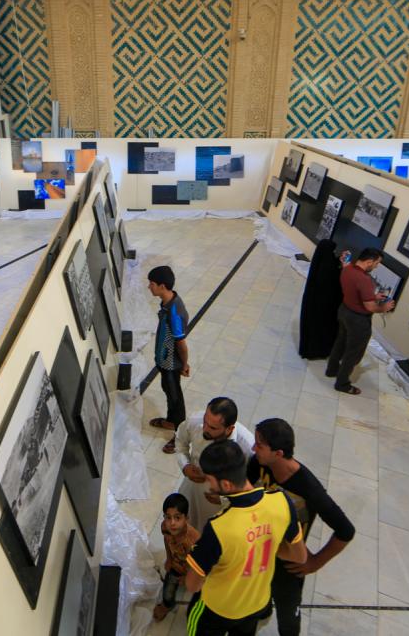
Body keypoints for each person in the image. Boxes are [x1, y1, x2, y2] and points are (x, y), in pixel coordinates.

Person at [184, 441, 307, 635]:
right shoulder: (281, 502)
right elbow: (300, 556)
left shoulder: (218, 528)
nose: (208, 483)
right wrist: (261, 543)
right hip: (255, 605)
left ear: (225, 484)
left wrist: (196, 550)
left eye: (209, 479)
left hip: (217, 609)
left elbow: (192, 585)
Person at [249, 419, 355, 636]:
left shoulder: (309, 489)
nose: (253, 448)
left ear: (278, 453)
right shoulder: (257, 463)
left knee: (288, 617)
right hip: (261, 550)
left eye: (259, 444)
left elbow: (345, 530)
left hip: (288, 564)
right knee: (258, 594)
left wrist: (315, 562)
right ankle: (263, 611)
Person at [174, 398, 256, 531]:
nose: (205, 429)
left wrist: (224, 499)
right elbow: (180, 442)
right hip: (192, 490)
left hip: (222, 506)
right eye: (205, 421)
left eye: (212, 428)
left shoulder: (247, 446)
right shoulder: (195, 421)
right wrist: (185, 466)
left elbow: (250, 486)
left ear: (230, 428)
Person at [325, 247, 395, 395]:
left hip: (344, 311)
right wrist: (385, 307)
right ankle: (342, 383)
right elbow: (370, 307)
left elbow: (356, 292)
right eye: (376, 263)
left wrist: (373, 296)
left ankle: (331, 370)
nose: (376, 267)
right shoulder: (365, 280)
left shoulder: (347, 268)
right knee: (353, 353)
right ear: (369, 262)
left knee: (340, 342)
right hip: (358, 320)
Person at [147, 265, 190, 450]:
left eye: (152, 284)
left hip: (172, 363)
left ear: (162, 286)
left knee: (175, 397)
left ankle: (180, 436)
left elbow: (181, 343)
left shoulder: (174, 312)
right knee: (167, 389)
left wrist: (185, 364)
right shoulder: (167, 302)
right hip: (164, 360)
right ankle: (171, 421)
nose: (149, 287)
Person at [298, 241, 350, 359]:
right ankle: (320, 350)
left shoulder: (321, 263)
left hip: (315, 303)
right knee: (322, 329)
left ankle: (310, 349)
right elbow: (333, 280)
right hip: (325, 306)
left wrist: (339, 261)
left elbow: (331, 269)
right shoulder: (328, 267)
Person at [154, 493, 200, 623]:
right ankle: (167, 605)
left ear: (187, 518)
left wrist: (188, 578)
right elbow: (167, 541)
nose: (172, 523)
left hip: (192, 570)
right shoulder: (165, 527)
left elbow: (198, 562)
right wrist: (169, 558)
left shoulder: (192, 540)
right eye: (168, 517)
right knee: (168, 590)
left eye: (177, 518)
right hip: (176, 566)